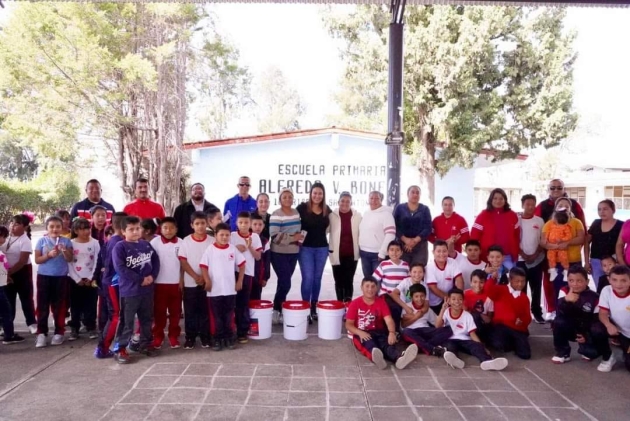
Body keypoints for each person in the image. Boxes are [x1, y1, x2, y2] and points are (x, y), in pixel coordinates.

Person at [535, 179, 587, 321]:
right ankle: (553, 310)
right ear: (548, 189)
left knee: (575, 285)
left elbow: (583, 235)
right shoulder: (543, 208)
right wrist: (549, 247)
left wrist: (569, 244)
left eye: (559, 187)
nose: (556, 190)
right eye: (553, 188)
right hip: (552, 258)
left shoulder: (576, 213)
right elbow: (540, 234)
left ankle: (575, 313)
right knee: (553, 284)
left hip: (573, 258)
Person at [112, 216, 160, 364]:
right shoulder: (120, 247)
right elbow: (121, 269)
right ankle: (120, 348)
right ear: (123, 231)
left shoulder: (146, 245)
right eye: (131, 229)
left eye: (137, 228)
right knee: (127, 322)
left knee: (146, 319)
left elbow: (155, 261)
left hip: (147, 291)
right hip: (130, 292)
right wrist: (140, 279)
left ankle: (145, 344)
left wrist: (152, 276)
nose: (135, 232)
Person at [345, 277, 418, 370]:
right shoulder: (355, 303)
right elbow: (348, 324)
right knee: (369, 345)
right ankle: (377, 358)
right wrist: (359, 332)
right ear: (361, 288)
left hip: (379, 331)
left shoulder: (381, 302)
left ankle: (399, 359)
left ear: (376, 288)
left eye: (373, 287)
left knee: (387, 344)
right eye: (367, 286)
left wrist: (392, 332)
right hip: (361, 333)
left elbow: (389, 320)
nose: (370, 289)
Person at [436, 288, 508, 371]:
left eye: (460, 299)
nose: (457, 302)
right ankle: (455, 360)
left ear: (463, 301)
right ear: (448, 300)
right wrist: (442, 309)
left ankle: (487, 361)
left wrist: (482, 347)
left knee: (476, 347)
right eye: (453, 299)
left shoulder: (467, 316)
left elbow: (472, 334)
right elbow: (437, 326)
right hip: (450, 339)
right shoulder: (446, 312)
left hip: (465, 340)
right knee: (449, 347)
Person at [200, 223, 246, 351]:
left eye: (227, 235)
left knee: (229, 315)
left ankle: (229, 337)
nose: (224, 237)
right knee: (217, 316)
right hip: (214, 291)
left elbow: (242, 264)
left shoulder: (232, 249)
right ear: (215, 235)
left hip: (230, 290)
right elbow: (203, 266)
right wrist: (207, 281)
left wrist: (239, 281)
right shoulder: (210, 249)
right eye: (221, 235)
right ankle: (217, 338)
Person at [551, 267, 610, 366]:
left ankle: (589, 347)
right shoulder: (564, 291)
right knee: (558, 321)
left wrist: (585, 335)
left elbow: (595, 320)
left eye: (579, 281)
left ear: (587, 281)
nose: (575, 284)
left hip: (586, 329)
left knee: (591, 353)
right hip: (570, 327)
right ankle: (563, 352)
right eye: (571, 280)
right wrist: (567, 301)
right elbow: (561, 312)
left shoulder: (594, 297)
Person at [33, 216, 74, 348]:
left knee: (59, 306)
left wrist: (64, 251)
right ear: (47, 228)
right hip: (44, 277)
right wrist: (48, 255)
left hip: (61, 277)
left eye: (58, 226)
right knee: (42, 306)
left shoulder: (67, 242)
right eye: (51, 226)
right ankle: (42, 333)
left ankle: (59, 332)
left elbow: (70, 259)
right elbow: (37, 260)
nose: (55, 229)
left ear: (62, 228)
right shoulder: (41, 241)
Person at [178, 211, 214, 350]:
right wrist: (195, 276)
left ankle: (205, 337)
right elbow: (183, 261)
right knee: (190, 311)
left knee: (205, 311)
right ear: (192, 225)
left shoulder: (211, 241)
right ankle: (190, 338)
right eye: (197, 224)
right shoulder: (186, 241)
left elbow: (213, 260)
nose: (200, 226)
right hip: (190, 282)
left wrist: (205, 278)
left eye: (203, 223)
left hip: (207, 282)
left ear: (207, 224)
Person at [297, 182, 332, 321]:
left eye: (320, 193)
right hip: (305, 249)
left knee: (317, 279)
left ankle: (313, 308)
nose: (317, 196)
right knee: (308, 278)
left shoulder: (327, 210)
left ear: (323, 195)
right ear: (310, 194)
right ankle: (305, 308)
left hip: (322, 249)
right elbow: (292, 222)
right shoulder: (301, 208)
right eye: (315, 193)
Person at [94, 212, 127, 359]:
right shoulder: (117, 242)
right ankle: (103, 348)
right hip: (113, 284)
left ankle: (111, 345)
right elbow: (117, 266)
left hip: (113, 283)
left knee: (117, 315)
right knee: (115, 315)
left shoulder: (116, 240)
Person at [269, 189, 303, 324]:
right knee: (286, 283)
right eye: (285, 197)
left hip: (293, 253)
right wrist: (293, 237)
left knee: (282, 282)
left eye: (290, 197)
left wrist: (299, 237)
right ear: (280, 199)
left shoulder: (296, 213)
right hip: (278, 253)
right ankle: (276, 308)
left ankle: (279, 311)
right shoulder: (276, 214)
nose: (288, 199)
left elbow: (297, 231)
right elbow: (274, 236)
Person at [0, 214, 37, 334]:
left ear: (25, 227)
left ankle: (31, 323)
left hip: (22, 272)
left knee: (26, 298)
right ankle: (7, 325)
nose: (12, 226)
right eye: (11, 223)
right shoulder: (6, 237)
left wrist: (7, 273)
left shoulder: (25, 240)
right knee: (8, 299)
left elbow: (22, 261)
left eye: (17, 224)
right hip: (6, 272)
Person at [149, 218, 182, 349]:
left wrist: (182, 280)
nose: (168, 231)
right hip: (159, 283)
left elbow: (184, 264)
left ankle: (174, 335)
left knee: (176, 312)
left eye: (171, 228)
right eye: (165, 228)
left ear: (176, 229)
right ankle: (158, 336)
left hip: (175, 283)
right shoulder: (154, 242)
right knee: (159, 312)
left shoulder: (181, 243)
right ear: (160, 229)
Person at [486, 267, 532, 360]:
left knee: (525, 355)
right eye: (517, 281)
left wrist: (522, 321)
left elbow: (528, 317)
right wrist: (492, 278)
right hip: (502, 326)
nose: (520, 284)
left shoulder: (524, 297)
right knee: (498, 344)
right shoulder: (501, 290)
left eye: (523, 281)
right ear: (510, 280)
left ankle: (515, 343)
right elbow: (488, 290)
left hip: (517, 328)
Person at [67, 218, 101, 341]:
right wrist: (77, 279)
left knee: (91, 304)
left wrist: (92, 277)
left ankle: (91, 326)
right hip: (75, 279)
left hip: (91, 279)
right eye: (82, 229)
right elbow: (69, 263)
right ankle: (75, 327)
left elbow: (97, 260)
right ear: (75, 230)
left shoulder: (95, 243)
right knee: (75, 305)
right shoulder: (71, 243)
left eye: (87, 228)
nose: (86, 231)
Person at [231, 211, 262, 343]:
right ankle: (230, 330)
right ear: (236, 223)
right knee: (231, 302)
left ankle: (242, 332)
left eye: (246, 223)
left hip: (247, 273)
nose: (243, 225)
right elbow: (224, 249)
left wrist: (249, 247)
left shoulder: (254, 237)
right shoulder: (232, 236)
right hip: (231, 272)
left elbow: (258, 256)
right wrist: (235, 248)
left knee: (243, 303)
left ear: (250, 224)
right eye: (241, 222)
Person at [470, 188, 520, 267]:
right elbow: (474, 238)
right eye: (495, 198)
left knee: (512, 278)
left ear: (505, 200)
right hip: (489, 258)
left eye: (501, 198)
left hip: (508, 257)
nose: (498, 201)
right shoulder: (483, 216)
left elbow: (517, 236)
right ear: (490, 200)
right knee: (491, 278)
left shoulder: (512, 215)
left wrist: (515, 253)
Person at [517, 194, 545, 324]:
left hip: (536, 260)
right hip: (519, 260)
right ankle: (521, 313)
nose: (530, 207)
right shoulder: (516, 220)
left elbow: (543, 240)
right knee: (520, 288)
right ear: (522, 205)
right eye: (527, 204)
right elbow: (512, 240)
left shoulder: (539, 221)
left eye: (533, 204)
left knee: (536, 288)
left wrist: (535, 255)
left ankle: (537, 312)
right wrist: (522, 254)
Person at [329, 192, 361, 303]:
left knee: (348, 281)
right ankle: (339, 304)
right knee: (338, 281)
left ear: (351, 203)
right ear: (338, 202)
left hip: (352, 255)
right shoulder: (331, 216)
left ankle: (348, 306)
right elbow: (323, 230)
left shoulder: (357, 216)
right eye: (342, 201)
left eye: (348, 201)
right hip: (336, 254)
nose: (345, 203)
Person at [401, 284, 451, 356]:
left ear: (425, 296)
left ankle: (421, 346)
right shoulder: (407, 307)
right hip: (412, 332)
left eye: (422, 296)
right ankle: (432, 349)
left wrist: (443, 310)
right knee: (405, 331)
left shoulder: (428, 309)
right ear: (412, 297)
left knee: (449, 329)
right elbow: (403, 325)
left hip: (426, 331)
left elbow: (437, 325)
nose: (419, 299)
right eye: (416, 296)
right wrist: (416, 317)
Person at [597, 264, 630, 372]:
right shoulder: (607, 290)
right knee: (596, 328)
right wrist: (608, 325)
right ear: (609, 280)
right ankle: (608, 357)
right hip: (620, 331)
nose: (618, 284)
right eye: (614, 280)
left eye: (623, 280)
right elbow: (602, 313)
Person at [585, 200, 623, 287]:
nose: (602, 212)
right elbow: (586, 242)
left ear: (613, 210)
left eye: (605, 209)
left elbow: (622, 245)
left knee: (616, 287)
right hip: (596, 262)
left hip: (614, 262)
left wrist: (620, 262)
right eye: (599, 209)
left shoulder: (621, 225)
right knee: (600, 289)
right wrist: (587, 262)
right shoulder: (596, 223)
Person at [358, 191, 396, 278]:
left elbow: (390, 235)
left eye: (377, 198)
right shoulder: (366, 213)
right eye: (371, 198)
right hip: (364, 253)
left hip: (378, 255)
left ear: (381, 200)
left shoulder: (386, 214)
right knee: (368, 281)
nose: (374, 201)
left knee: (378, 281)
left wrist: (382, 253)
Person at [372, 241, 410, 323]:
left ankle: (397, 328)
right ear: (388, 252)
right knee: (393, 308)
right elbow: (374, 280)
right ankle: (393, 330)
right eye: (392, 250)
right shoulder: (384, 264)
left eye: (397, 250)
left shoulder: (406, 265)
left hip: (401, 296)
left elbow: (408, 285)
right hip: (386, 295)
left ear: (402, 252)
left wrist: (408, 298)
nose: (394, 252)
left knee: (403, 310)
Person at [393, 185, 432, 266]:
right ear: (408, 194)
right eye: (412, 192)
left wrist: (414, 241)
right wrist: (405, 240)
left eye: (417, 193)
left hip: (420, 247)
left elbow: (428, 228)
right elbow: (395, 226)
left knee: (418, 272)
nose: (415, 195)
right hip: (402, 246)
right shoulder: (399, 208)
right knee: (403, 271)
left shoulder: (425, 209)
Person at [425, 240, 463, 315]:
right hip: (434, 302)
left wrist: (458, 296)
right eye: (438, 251)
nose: (442, 254)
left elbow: (459, 280)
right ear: (433, 252)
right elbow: (433, 288)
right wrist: (451, 299)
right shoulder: (429, 268)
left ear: (448, 251)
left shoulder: (452, 262)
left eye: (444, 251)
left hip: (450, 299)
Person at [1, 249, 25, 344]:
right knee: (6, 312)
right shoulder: (1, 254)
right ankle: (9, 335)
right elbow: (3, 268)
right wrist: (6, 278)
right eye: (3, 237)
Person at [464, 269, 494, 343]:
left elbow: (489, 318)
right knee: (475, 316)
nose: (478, 285)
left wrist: (485, 318)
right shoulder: (465, 294)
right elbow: (464, 312)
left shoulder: (489, 297)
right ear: (470, 283)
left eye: (481, 282)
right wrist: (480, 315)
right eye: (475, 282)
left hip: (482, 326)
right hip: (468, 324)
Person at [544, 208, 574, 280]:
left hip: (561, 246)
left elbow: (569, 236)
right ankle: (553, 271)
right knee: (550, 258)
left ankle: (566, 271)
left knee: (564, 258)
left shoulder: (566, 227)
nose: (553, 219)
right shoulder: (551, 225)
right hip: (551, 246)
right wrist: (546, 239)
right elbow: (547, 233)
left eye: (554, 217)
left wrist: (562, 240)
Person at [251, 213, 271, 301]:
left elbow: (267, 261)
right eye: (255, 224)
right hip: (245, 278)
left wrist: (265, 277)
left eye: (260, 224)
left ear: (263, 226)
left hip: (258, 277)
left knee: (256, 300)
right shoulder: (245, 239)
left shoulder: (265, 242)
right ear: (250, 225)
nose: (257, 227)